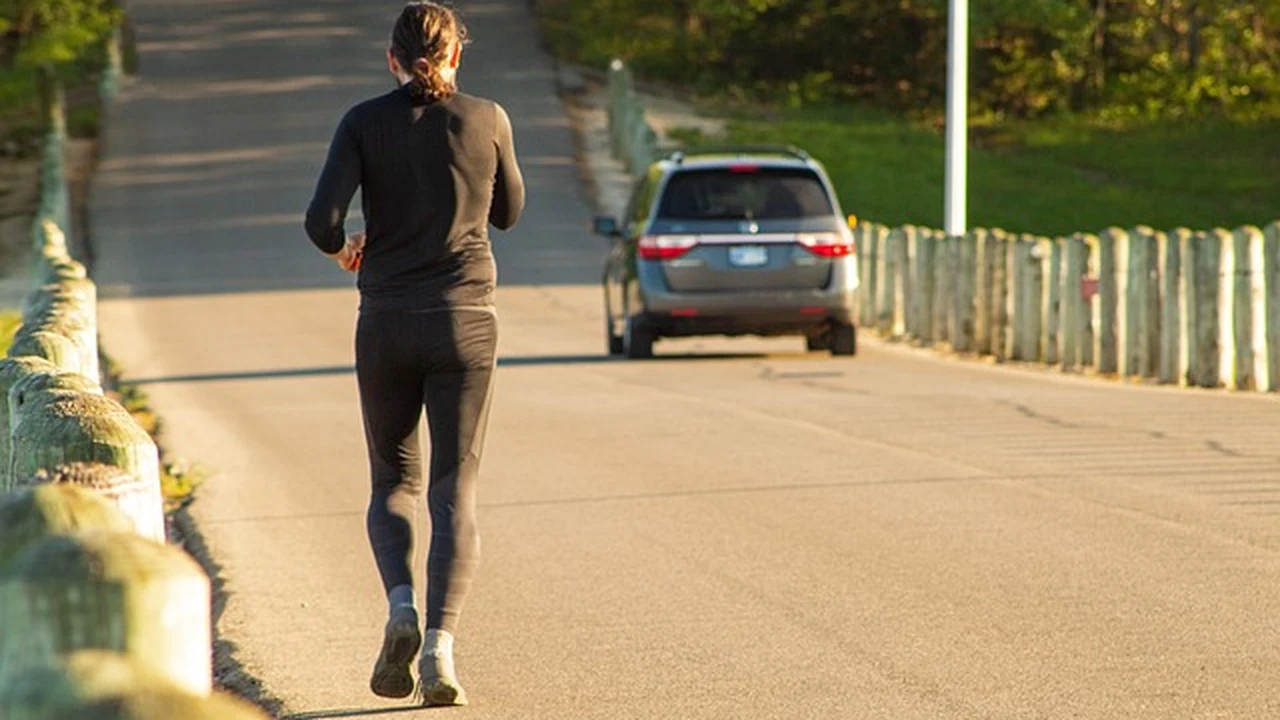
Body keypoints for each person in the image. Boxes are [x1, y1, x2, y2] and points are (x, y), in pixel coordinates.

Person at [303, 1, 525, 707]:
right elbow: (510, 212)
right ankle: (439, 649)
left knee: (392, 483)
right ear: (457, 55)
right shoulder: (488, 119)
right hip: (467, 325)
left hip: (387, 323)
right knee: (452, 490)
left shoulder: (362, 122)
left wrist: (347, 251)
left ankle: (400, 605)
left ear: (391, 60)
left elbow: (321, 221)